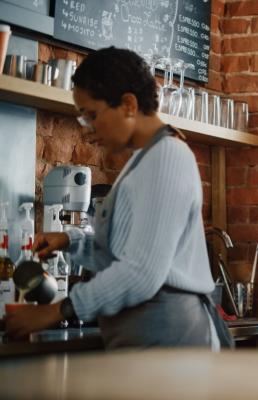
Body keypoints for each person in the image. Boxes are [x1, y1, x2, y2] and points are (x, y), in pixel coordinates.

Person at [5, 47, 233, 350]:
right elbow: (124, 250)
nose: (88, 131)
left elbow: (141, 273)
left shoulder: (167, 157)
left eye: (92, 115)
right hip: (146, 335)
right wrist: (71, 242)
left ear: (128, 104)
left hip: (168, 337)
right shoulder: (142, 161)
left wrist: (56, 311)